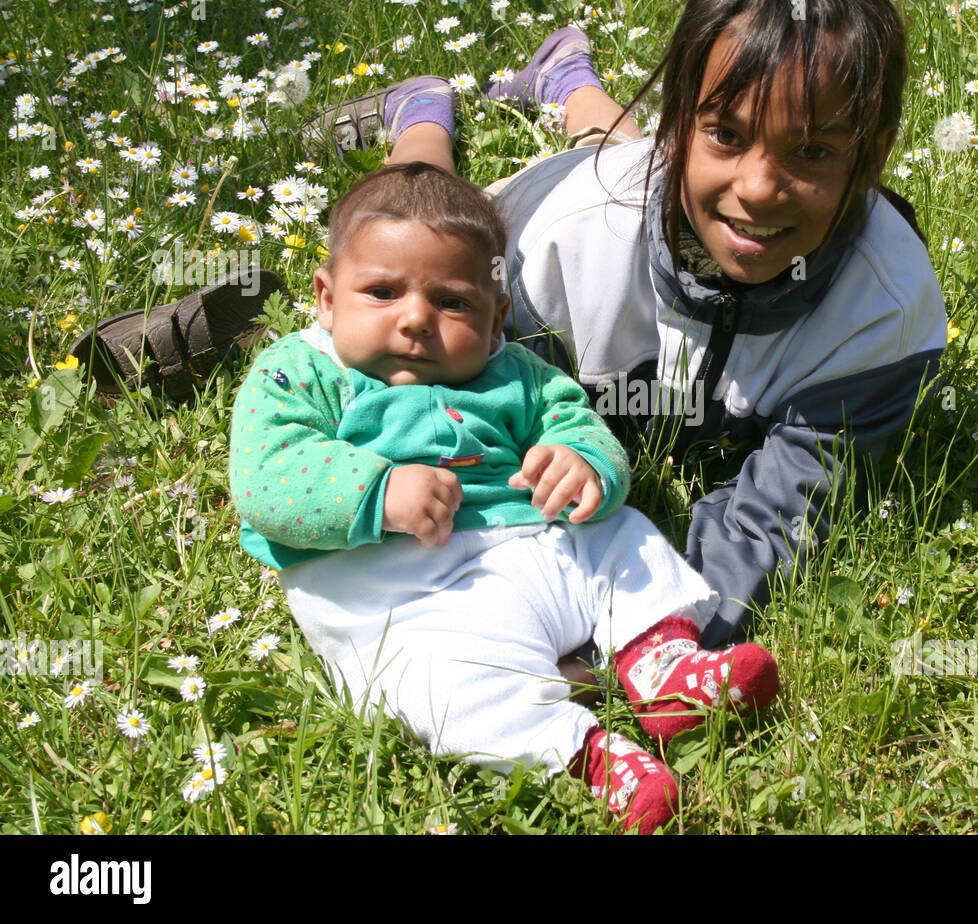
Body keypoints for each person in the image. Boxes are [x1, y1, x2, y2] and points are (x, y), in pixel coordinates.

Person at [312, 0, 949, 648]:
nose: (761, 189)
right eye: (727, 134)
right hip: (553, 196)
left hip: (649, 182)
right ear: (676, 126)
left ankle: (567, 74)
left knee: (628, 155)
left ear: (876, 152)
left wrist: (649, 633)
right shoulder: (550, 252)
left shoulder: (887, 309)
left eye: (814, 151)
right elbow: (431, 422)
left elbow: (775, 526)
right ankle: (423, 112)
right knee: (423, 207)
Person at [228, 163, 778, 834]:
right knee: (435, 686)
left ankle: (662, 665)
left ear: (496, 322)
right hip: (405, 598)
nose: (416, 320)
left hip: (533, 551)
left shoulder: (515, 372)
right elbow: (267, 476)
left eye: (453, 302)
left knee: (624, 533)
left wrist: (583, 465)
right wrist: (375, 488)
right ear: (325, 297)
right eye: (380, 291)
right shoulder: (299, 371)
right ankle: (586, 756)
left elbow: (579, 426)